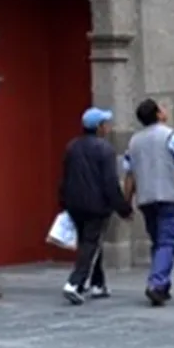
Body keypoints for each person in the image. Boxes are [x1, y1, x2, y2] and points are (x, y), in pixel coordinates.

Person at [123, 98, 174, 306]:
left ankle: (163, 284)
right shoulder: (171, 137)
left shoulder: (134, 142)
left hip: (146, 198)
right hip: (169, 196)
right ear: (158, 114)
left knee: (159, 241)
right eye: (162, 108)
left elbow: (129, 176)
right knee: (169, 239)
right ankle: (157, 283)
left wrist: (127, 201)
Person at [57, 106, 132, 304]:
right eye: (106, 124)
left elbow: (65, 178)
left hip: (75, 203)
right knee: (90, 244)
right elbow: (110, 183)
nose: (108, 127)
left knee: (89, 242)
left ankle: (98, 284)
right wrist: (123, 208)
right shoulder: (104, 149)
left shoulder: (72, 146)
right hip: (96, 205)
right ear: (99, 127)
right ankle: (75, 283)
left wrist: (63, 202)